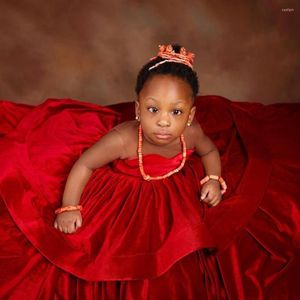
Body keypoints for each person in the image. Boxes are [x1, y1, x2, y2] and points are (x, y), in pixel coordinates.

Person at [54, 44, 227, 235]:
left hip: (175, 196)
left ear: (190, 116)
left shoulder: (192, 133)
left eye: (176, 112)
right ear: (138, 110)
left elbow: (209, 151)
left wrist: (213, 179)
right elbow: (84, 165)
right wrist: (69, 207)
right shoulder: (122, 140)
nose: (163, 121)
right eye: (153, 109)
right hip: (124, 200)